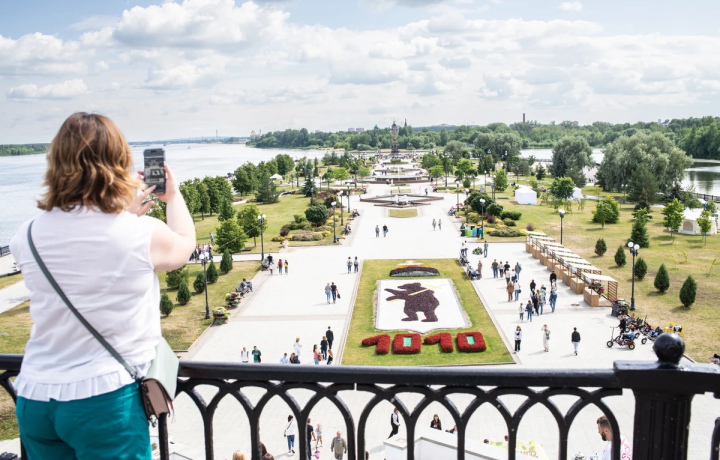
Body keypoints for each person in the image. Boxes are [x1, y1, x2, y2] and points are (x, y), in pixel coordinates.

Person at [8, 113, 196, 459]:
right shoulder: (137, 234)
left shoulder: (26, 234)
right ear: (118, 163)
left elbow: (80, 251)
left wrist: (121, 215)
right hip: (104, 400)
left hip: (35, 395)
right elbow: (183, 244)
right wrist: (173, 196)